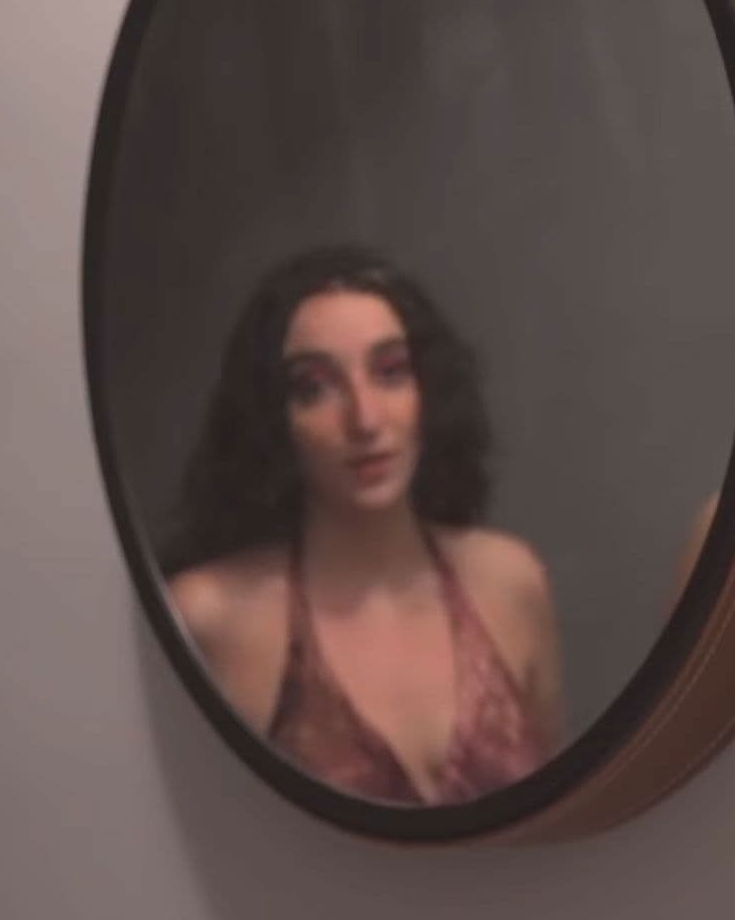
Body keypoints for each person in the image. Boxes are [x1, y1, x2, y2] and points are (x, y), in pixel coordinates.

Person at [163, 245, 563, 805]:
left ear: (429, 389)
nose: (365, 419)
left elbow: (560, 816)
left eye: (391, 372)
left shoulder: (508, 581)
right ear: (273, 416)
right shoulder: (215, 615)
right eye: (314, 387)